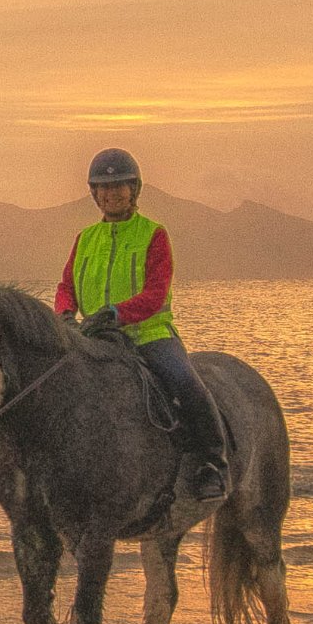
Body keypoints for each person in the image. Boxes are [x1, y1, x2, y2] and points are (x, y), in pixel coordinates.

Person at [55, 147, 230, 504]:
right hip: (95, 338)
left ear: (134, 190)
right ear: (94, 194)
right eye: (104, 187)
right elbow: (66, 286)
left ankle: (213, 462)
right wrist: (64, 313)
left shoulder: (153, 234)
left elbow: (155, 292)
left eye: (120, 186)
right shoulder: (85, 238)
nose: (112, 193)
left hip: (148, 335)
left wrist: (117, 313)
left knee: (185, 381)